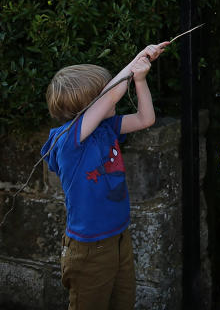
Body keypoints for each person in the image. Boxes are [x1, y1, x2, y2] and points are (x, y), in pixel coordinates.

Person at [42, 41, 169, 310]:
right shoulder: (68, 142)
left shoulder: (106, 128)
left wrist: (140, 78)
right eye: (103, 91)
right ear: (87, 105)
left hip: (119, 237)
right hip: (89, 249)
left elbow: (146, 119)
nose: (112, 91)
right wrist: (137, 59)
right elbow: (111, 96)